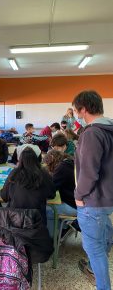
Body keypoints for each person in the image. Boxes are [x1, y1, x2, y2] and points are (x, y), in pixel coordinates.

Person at [72, 90, 113, 290]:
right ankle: (94, 269)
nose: (76, 115)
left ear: (84, 109)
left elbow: (89, 171)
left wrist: (79, 195)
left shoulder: (92, 133)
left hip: (92, 200)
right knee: (104, 238)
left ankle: (103, 285)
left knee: (94, 249)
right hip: (107, 198)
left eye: (77, 111)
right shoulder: (109, 129)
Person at [0, 146, 55, 224]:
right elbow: (52, 194)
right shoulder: (44, 174)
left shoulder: (14, 173)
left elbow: (4, 196)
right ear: (36, 160)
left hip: (15, 221)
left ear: (20, 161)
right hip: (36, 221)